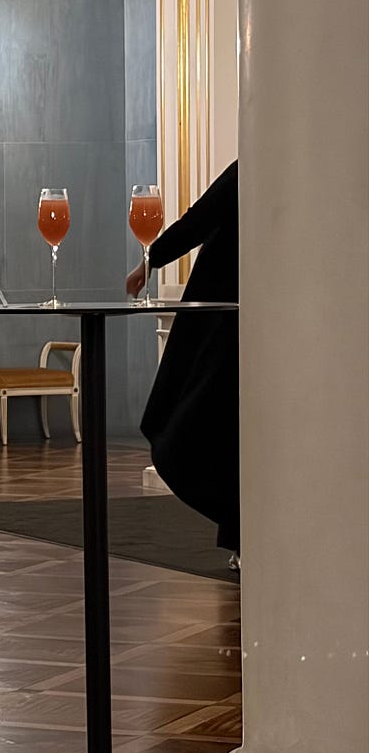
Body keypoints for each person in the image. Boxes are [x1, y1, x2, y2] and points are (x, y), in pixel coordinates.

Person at [127, 159, 239, 554]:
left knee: (201, 430)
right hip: (238, 316)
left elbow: (201, 217)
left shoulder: (256, 165)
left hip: (229, 318)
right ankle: (241, 539)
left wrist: (149, 261)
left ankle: (242, 538)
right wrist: (152, 259)